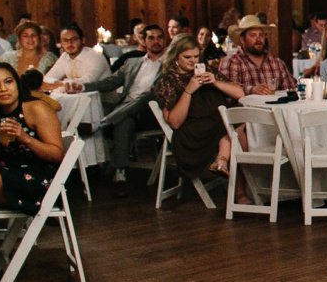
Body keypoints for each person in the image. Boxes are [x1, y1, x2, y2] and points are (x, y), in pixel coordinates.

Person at [77, 23, 168, 197]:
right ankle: (121, 176)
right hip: (127, 112)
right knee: (124, 121)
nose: (156, 41)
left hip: (152, 112)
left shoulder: (170, 64)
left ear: (165, 40)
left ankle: (100, 123)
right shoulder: (132, 62)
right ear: (143, 40)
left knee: (148, 94)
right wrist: (81, 87)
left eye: (159, 37)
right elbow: (108, 82)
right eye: (151, 37)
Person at [153, 34, 249, 191]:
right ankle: (240, 192)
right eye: (187, 57)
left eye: (196, 56)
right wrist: (188, 91)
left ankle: (224, 163)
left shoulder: (206, 70)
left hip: (216, 123)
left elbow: (240, 93)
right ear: (175, 56)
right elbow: (175, 122)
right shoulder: (167, 81)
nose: (193, 61)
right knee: (236, 132)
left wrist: (215, 82)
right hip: (193, 132)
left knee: (241, 117)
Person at [0, 62, 64, 212]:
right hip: (3, 177)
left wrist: (25, 138)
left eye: (8, 82)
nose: (3, 89)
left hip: (37, 181)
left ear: (17, 84)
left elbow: (57, 155)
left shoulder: (36, 108)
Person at [217, 14, 297, 96]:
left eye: (261, 35)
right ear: (242, 40)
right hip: (245, 108)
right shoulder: (231, 62)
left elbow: (291, 89)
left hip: (273, 108)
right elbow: (227, 91)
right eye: (253, 35)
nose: (258, 39)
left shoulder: (277, 63)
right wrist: (251, 89)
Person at [41, 26, 109, 90]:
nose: (69, 43)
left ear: (83, 40)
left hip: (104, 100)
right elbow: (47, 78)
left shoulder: (96, 56)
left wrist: (62, 84)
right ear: (61, 43)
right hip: (76, 97)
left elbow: (88, 81)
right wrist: (59, 83)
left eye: (74, 39)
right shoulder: (64, 57)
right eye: (65, 40)